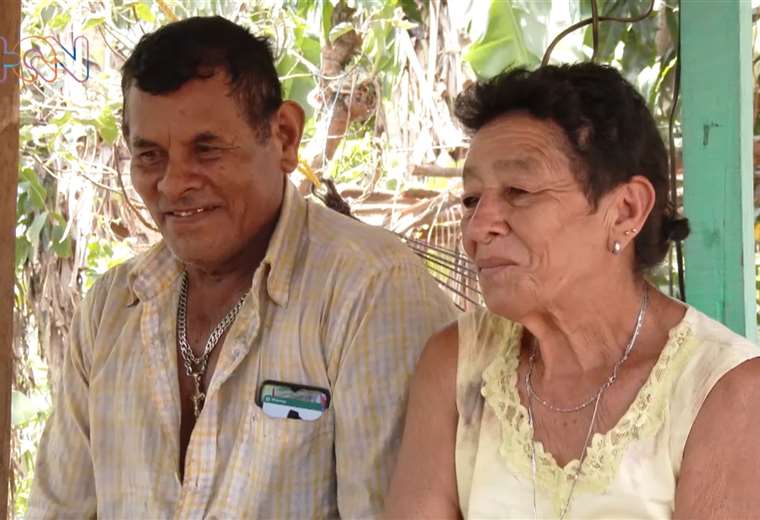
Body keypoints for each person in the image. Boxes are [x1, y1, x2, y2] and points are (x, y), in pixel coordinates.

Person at [28, 16, 456, 519]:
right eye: (150, 156)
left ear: (284, 137)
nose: (172, 184)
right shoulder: (111, 308)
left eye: (206, 150)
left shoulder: (372, 291)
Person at [385, 63, 760, 519]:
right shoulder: (458, 363)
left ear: (625, 210)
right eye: (471, 199)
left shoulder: (724, 393)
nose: (478, 226)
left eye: (519, 190)